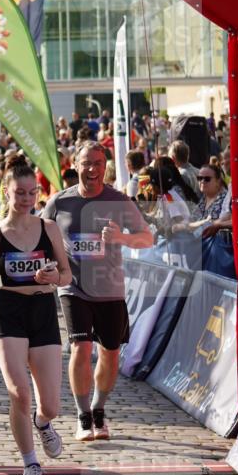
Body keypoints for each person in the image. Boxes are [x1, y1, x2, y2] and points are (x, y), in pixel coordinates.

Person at [0, 157, 72, 475]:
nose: (26, 199)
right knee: (19, 392)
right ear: (6, 193)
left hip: (43, 310)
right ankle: (31, 464)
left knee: (50, 405)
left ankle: (43, 423)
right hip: (8, 311)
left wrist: (54, 277)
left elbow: (67, 274)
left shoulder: (48, 228)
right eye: (19, 193)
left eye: (31, 193)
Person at [42, 143, 153, 441]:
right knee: (80, 348)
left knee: (110, 354)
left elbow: (147, 238)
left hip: (109, 289)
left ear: (106, 167)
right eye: (86, 163)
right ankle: (82, 416)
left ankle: (98, 409)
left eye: (98, 163)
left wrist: (122, 238)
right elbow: (40, 236)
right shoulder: (59, 202)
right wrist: (48, 265)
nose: (92, 169)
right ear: (75, 165)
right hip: (73, 287)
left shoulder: (119, 201)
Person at [172, 163, 228, 237]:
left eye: (207, 179)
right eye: (199, 178)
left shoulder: (224, 200)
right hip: (198, 241)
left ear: (218, 181)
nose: (202, 181)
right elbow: (192, 219)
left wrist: (184, 226)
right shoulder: (204, 199)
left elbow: (207, 225)